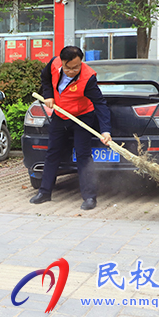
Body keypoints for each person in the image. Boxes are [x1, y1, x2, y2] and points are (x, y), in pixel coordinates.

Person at [30, 45, 112, 210]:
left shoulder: (88, 78)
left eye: (77, 67)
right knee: (53, 152)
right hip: (60, 115)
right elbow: (45, 78)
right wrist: (48, 95)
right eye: (69, 68)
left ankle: (89, 197)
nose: (73, 71)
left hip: (82, 116)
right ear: (62, 62)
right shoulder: (53, 64)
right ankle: (44, 192)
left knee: (83, 156)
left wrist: (105, 130)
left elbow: (100, 104)